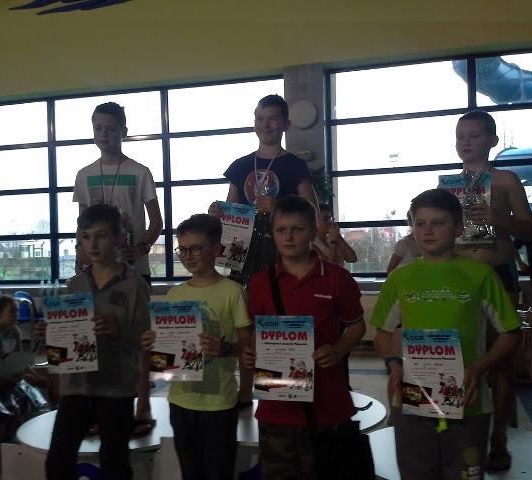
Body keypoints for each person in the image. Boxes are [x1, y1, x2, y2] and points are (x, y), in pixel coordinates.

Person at [371, 188, 521, 480]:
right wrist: (393, 364)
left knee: (464, 474)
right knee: (417, 474)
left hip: (468, 404)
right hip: (414, 400)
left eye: (438, 223)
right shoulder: (400, 279)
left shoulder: (480, 275)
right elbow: (382, 334)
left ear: (459, 228)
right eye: (420, 223)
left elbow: (511, 334)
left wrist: (479, 367)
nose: (428, 231)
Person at [241, 195, 366, 478]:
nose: (288, 237)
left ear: (312, 232)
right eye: (281, 230)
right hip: (276, 406)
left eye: (297, 229)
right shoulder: (259, 283)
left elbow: (357, 327)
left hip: (326, 405)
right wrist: (251, 352)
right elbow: (256, 331)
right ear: (273, 234)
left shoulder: (337, 278)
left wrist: (338, 349)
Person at [219, 94, 320, 408]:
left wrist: (280, 206)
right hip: (244, 253)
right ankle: (246, 386)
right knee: (245, 319)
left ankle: (286, 383)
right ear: (254, 123)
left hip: (281, 252)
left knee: (282, 314)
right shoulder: (240, 166)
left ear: (285, 124)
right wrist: (218, 213)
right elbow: (231, 209)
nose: (266, 124)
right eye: (261, 118)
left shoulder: (294, 165)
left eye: (273, 118)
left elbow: (312, 210)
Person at [36, 204, 149, 480]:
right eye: (86, 237)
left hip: (116, 389)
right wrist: (50, 333)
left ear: (118, 238)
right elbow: (65, 342)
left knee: (114, 464)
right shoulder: (74, 285)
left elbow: (147, 339)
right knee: (57, 463)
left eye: (101, 236)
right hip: (77, 386)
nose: (93, 245)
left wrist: (119, 330)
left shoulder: (134, 285)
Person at [452, 110, 532, 471]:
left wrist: (499, 219)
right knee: (461, 358)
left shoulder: (505, 180)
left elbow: (530, 230)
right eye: (460, 136)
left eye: (474, 135)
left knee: (500, 362)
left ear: (492, 141)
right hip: (461, 277)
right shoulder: (449, 186)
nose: (466, 142)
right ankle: (461, 434)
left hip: (498, 274)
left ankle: (499, 439)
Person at [72, 102, 162, 431]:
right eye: (98, 128)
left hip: (132, 270)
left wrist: (142, 247)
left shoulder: (140, 172)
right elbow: (81, 224)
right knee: (95, 336)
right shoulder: (84, 175)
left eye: (111, 128)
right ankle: (96, 408)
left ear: (124, 131)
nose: (104, 134)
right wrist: (81, 251)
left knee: (139, 341)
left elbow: (157, 222)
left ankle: (142, 405)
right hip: (96, 271)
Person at [141, 214, 251, 480]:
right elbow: (166, 352)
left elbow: (247, 345)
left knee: (218, 473)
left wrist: (225, 349)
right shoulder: (174, 295)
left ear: (217, 249)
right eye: (183, 249)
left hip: (219, 403)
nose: (188, 256)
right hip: (180, 401)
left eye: (196, 249)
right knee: (190, 473)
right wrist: (153, 344)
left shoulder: (233, 292)